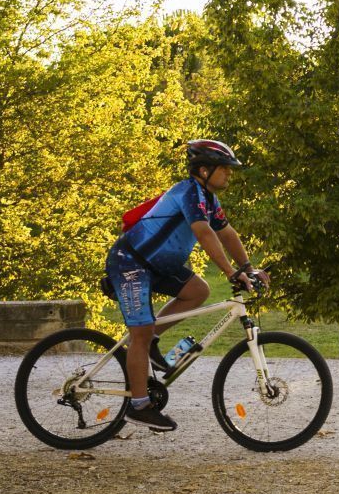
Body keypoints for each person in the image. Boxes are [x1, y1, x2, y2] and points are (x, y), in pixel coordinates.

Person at [106, 138, 267, 432]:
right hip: (131, 263)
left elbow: (226, 233)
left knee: (198, 291)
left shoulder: (208, 199)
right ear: (204, 170)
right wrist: (230, 272)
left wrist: (248, 267)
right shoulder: (189, 193)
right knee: (140, 333)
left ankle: (150, 341)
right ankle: (139, 406)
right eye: (225, 168)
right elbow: (204, 234)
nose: (229, 173)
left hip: (157, 265)